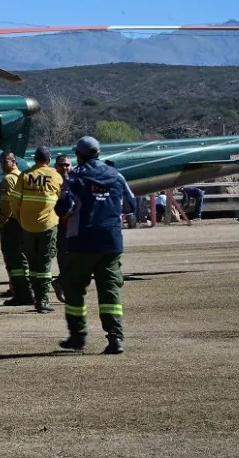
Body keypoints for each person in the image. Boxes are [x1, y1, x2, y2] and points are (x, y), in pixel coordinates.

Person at [57, 136, 136, 355]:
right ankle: (115, 339)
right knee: (109, 291)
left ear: (79, 156)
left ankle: (78, 337)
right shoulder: (116, 175)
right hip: (111, 242)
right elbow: (131, 204)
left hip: (81, 241)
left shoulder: (74, 177)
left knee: (74, 290)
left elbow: (63, 207)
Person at [12, 146, 63, 313]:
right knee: (45, 264)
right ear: (48, 160)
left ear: (35, 160)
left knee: (33, 264)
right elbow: (64, 201)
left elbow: (14, 201)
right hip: (48, 226)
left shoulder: (25, 175)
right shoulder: (55, 176)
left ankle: (37, 296)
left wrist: (20, 219)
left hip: (27, 226)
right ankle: (43, 300)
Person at [0, 152, 31, 306]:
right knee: (23, 258)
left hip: (12, 223)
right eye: (2, 162)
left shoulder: (8, 179)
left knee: (13, 260)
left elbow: (7, 205)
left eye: (5, 162)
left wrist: (3, 221)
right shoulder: (24, 177)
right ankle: (27, 289)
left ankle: (21, 293)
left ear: (14, 161)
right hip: (24, 222)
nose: (3, 165)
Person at [52, 153, 74, 303]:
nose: (65, 167)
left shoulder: (76, 180)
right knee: (64, 258)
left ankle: (62, 283)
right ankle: (64, 285)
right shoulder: (53, 181)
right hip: (60, 226)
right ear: (56, 167)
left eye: (67, 165)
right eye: (61, 165)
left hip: (77, 227)